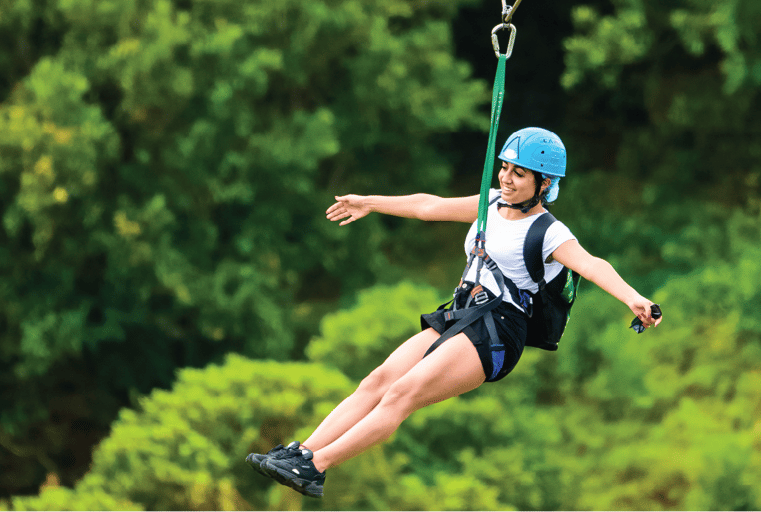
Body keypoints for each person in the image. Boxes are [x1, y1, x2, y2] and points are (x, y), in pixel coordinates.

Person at [246, 127, 662, 498]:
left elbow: (591, 264)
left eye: (519, 173)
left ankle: (316, 468)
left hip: (498, 330)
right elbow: (428, 206)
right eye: (504, 168)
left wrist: (633, 298)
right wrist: (368, 202)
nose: (506, 177)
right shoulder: (491, 204)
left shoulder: (549, 231)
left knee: (400, 394)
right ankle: (300, 453)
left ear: (545, 182)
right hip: (461, 313)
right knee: (377, 380)